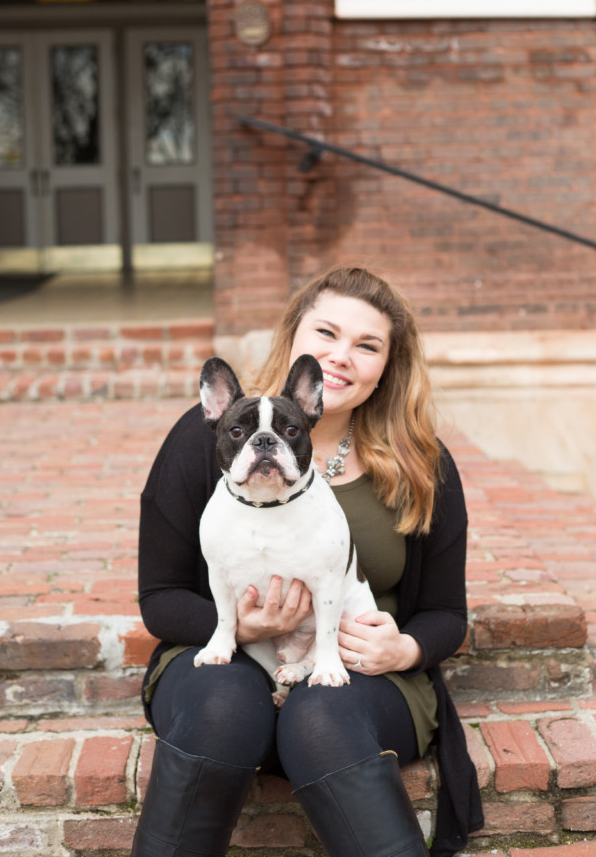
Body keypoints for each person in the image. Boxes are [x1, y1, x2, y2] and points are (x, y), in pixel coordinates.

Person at [133, 266, 484, 857]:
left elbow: (448, 612)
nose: (342, 356)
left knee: (320, 717)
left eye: (367, 345)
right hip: (224, 653)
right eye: (326, 333)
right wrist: (236, 629)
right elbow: (159, 596)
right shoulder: (208, 438)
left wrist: (407, 649)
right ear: (295, 336)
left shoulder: (421, 461)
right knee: (223, 705)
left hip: (360, 670)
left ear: (388, 364)